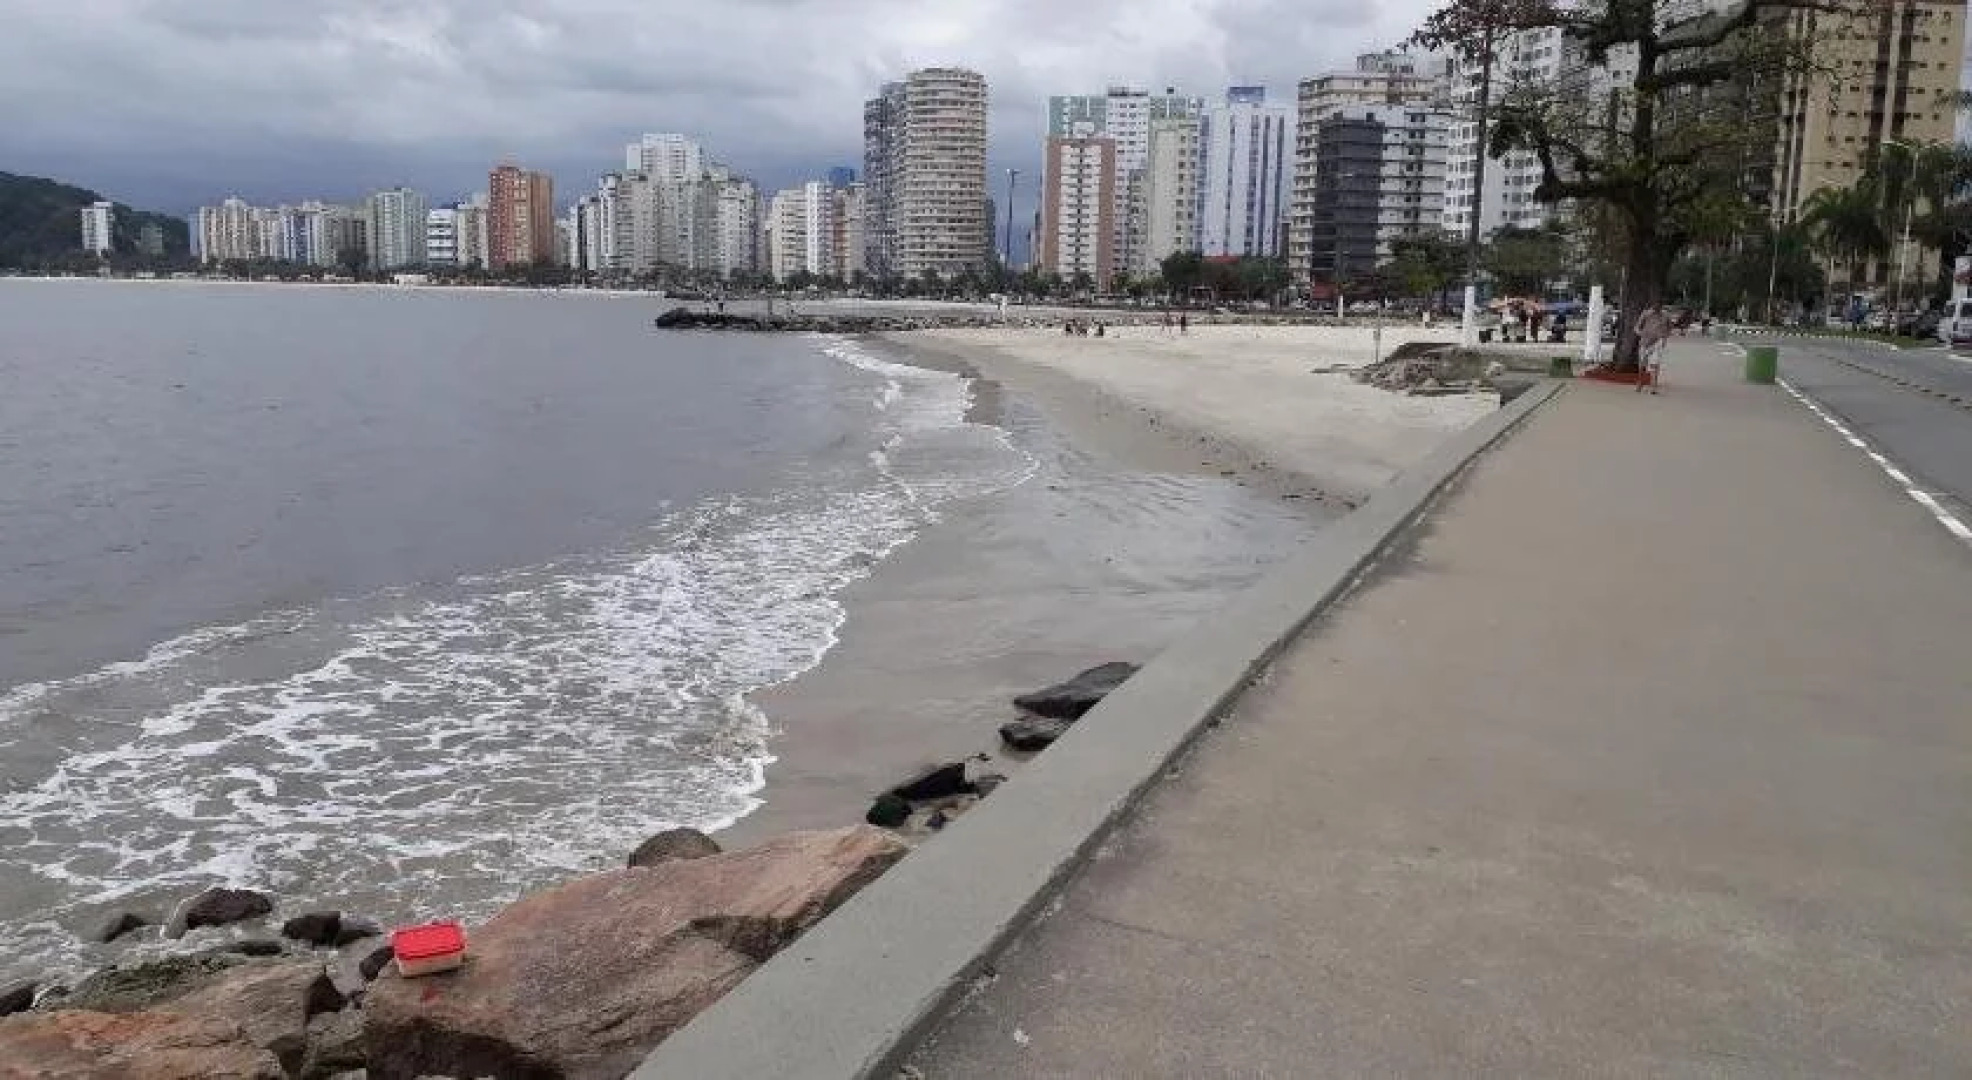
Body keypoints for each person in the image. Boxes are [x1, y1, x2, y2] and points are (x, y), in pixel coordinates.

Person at [1636, 305, 1672, 394]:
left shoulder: (1665, 315)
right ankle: (1640, 383)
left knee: (1654, 365)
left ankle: (1653, 387)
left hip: (1657, 343)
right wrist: (1641, 334)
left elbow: (1669, 328)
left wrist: (1664, 338)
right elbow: (1636, 327)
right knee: (1642, 365)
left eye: (1659, 305)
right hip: (1645, 343)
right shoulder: (1645, 314)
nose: (1657, 308)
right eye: (1655, 306)